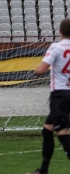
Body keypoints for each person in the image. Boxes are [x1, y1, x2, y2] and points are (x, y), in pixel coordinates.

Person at [26, 18, 70, 174]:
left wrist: (35, 72)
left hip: (59, 95)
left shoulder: (56, 47)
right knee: (48, 130)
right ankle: (43, 171)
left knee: (63, 132)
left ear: (60, 32)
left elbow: (41, 69)